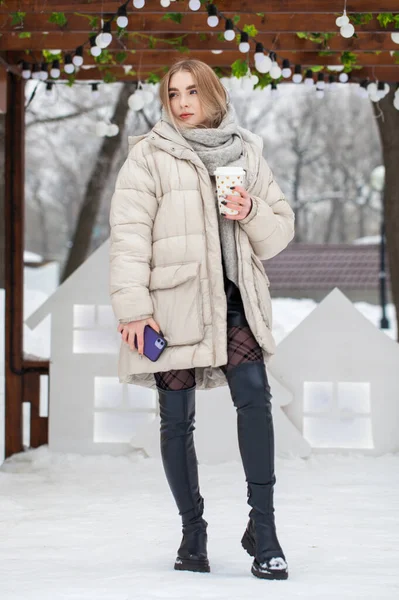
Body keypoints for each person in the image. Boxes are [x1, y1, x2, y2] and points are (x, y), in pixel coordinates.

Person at [109, 59, 295, 580]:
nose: (183, 102)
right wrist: (134, 310)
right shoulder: (148, 156)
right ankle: (193, 532)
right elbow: (128, 236)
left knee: (255, 399)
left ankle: (266, 531)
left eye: (193, 91)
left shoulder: (247, 153)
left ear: (213, 95)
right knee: (176, 419)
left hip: (234, 299)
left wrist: (250, 210)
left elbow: (280, 234)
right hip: (172, 303)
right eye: (174, 93)